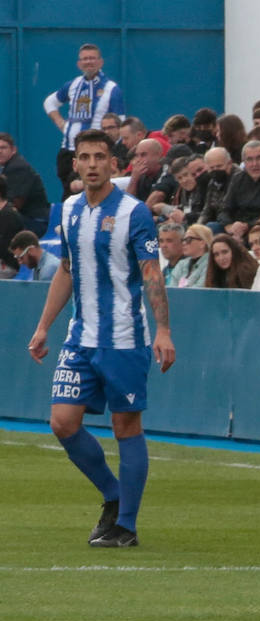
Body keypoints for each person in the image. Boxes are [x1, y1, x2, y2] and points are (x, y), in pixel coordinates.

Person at [26, 129, 173, 548]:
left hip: (125, 339)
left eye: (99, 157)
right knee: (62, 422)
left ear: (114, 164)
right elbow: (68, 270)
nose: (91, 164)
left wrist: (162, 329)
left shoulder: (134, 212)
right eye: (84, 157)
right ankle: (114, 496)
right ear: (75, 164)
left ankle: (125, 525)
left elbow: (151, 273)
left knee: (125, 425)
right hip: (79, 336)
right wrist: (42, 327)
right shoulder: (69, 208)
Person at [44, 44, 125, 196]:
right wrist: (61, 124)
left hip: (92, 153)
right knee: (68, 196)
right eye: (85, 59)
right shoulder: (73, 85)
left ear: (100, 62)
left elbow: (119, 124)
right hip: (68, 151)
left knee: (89, 194)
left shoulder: (111, 89)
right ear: (79, 64)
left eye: (92, 58)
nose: (89, 62)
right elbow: (50, 102)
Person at [0, 134, 53, 234]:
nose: (0, 151)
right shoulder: (8, 167)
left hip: (35, 222)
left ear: (14, 150)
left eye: (3, 147)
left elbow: (16, 204)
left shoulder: (17, 167)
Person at [170, 223, 211, 287]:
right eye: (183, 240)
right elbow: (172, 289)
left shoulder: (211, 264)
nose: (183, 243)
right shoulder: (181, 264)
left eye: (188, 240)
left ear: (202, 243)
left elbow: (199, 291)